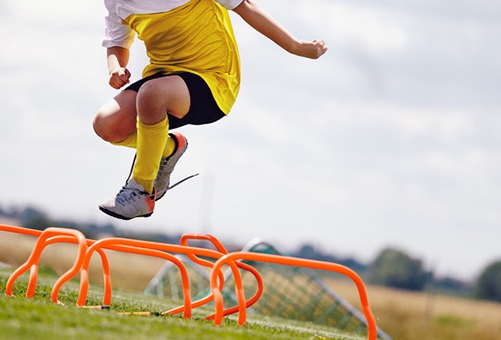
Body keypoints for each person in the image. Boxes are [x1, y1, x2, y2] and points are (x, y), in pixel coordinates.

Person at [95, 0, 327, 220]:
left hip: (214, 80)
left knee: (151, 93)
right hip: (164, 77)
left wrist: (297, 47)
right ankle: (169, 148)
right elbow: (117, 42)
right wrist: (115, 68)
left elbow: (245, 6)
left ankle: (141, 191)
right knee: (106, 124)